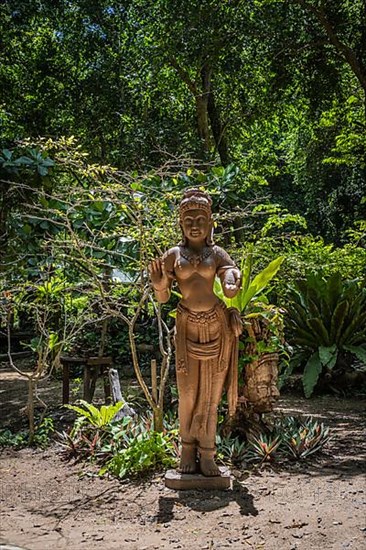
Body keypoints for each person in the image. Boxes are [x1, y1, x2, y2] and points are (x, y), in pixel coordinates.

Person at [149, 189, 242, 476]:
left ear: (210, 222)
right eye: (188, 219)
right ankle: (187, 449)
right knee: (188, 392)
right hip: (187, 325)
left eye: (201, 218)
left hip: (216, 323)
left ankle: (208, 452)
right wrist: (159, 284)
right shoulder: (173, 255)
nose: (194, 224)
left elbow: (230, 274)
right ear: (180, 223)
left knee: (211, 394)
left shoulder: (216, 253)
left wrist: (230, 281)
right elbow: (164, 298)